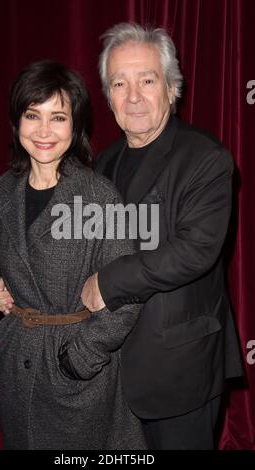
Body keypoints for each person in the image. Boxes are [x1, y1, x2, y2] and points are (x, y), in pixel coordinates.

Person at [0, 60, 147, 450]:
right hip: (15, 364)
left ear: (75, 126)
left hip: (76, 372)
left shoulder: (99, 197)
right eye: (32, 115)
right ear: (17, 122)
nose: (44, 131)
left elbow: (126, 293)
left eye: (58, 117)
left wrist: (78, 358)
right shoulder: (1, 193)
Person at [79, 23, 243, 449]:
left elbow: (194, 251)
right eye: (119, 83)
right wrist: (16, 287)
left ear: (172, 87)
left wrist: (109, 283)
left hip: (178, 371)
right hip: (110, 370)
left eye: (147, 80)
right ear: (108, 94)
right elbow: (78, 246)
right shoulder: (103, 164)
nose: (132, 96)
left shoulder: (205, 158)